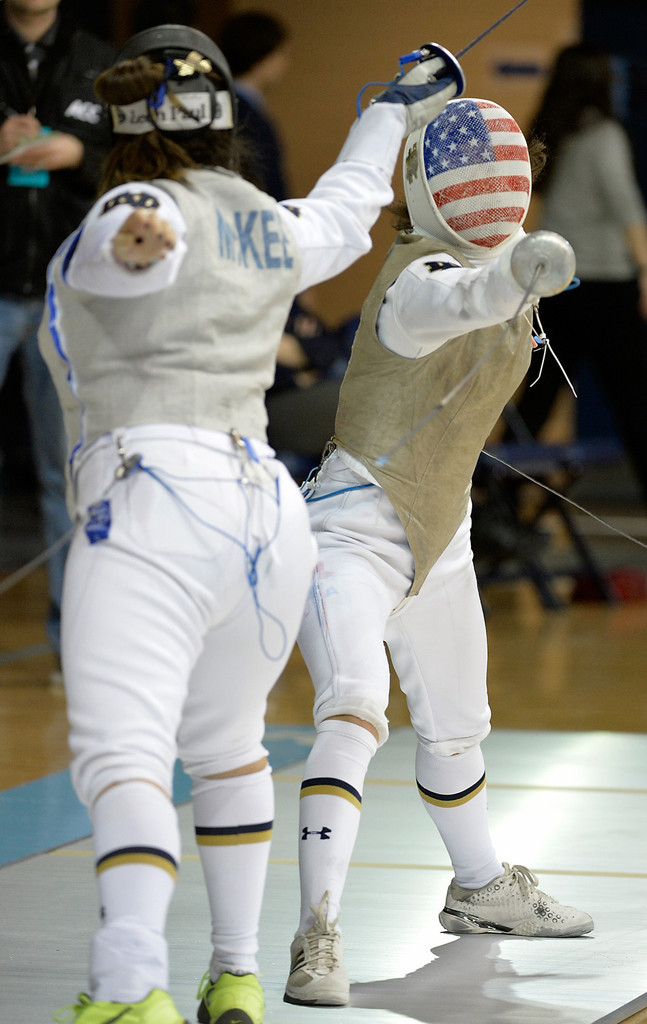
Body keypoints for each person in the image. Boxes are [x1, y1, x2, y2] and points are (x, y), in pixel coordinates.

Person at [37, 25, 464, 1024]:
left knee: (124, 756)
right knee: (227, 749)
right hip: (264, 515)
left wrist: (144, 231)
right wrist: (394, 108)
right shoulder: (270, 223)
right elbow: (351, 204)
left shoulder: (132, 209)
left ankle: (128, 981)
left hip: (151, 506)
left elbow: (139, 232)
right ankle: (231, 973)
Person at [283, 96, 594, 1009]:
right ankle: (316, 936)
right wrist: (514, 281)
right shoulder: (416, 280)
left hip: (441, 533)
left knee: (458, 727)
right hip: (351, 530)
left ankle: (481, 891)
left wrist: (522, 271)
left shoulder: (502, 259)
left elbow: (497, 277)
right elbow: (466, 300)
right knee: (352, 712)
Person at [0, 0, 115, 668]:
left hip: (67, 292)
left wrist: (80, 151)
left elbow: (141, 165)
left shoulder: (100, 63)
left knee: (66, 473)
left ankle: (71, 642)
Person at [505, 43, 647, 505]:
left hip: (557, 283)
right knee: (634, 401)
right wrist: (645, 272)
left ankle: (496, 504)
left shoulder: (556, 130)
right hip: (605, 286)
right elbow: (628, 210)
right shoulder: (604, 134)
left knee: (540, 398)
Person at [218, 10, 291, 203]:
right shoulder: (246, 116)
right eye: (281, 53)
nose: (285, 62)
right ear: (262, 57)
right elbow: (267, 184)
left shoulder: (223, 106)